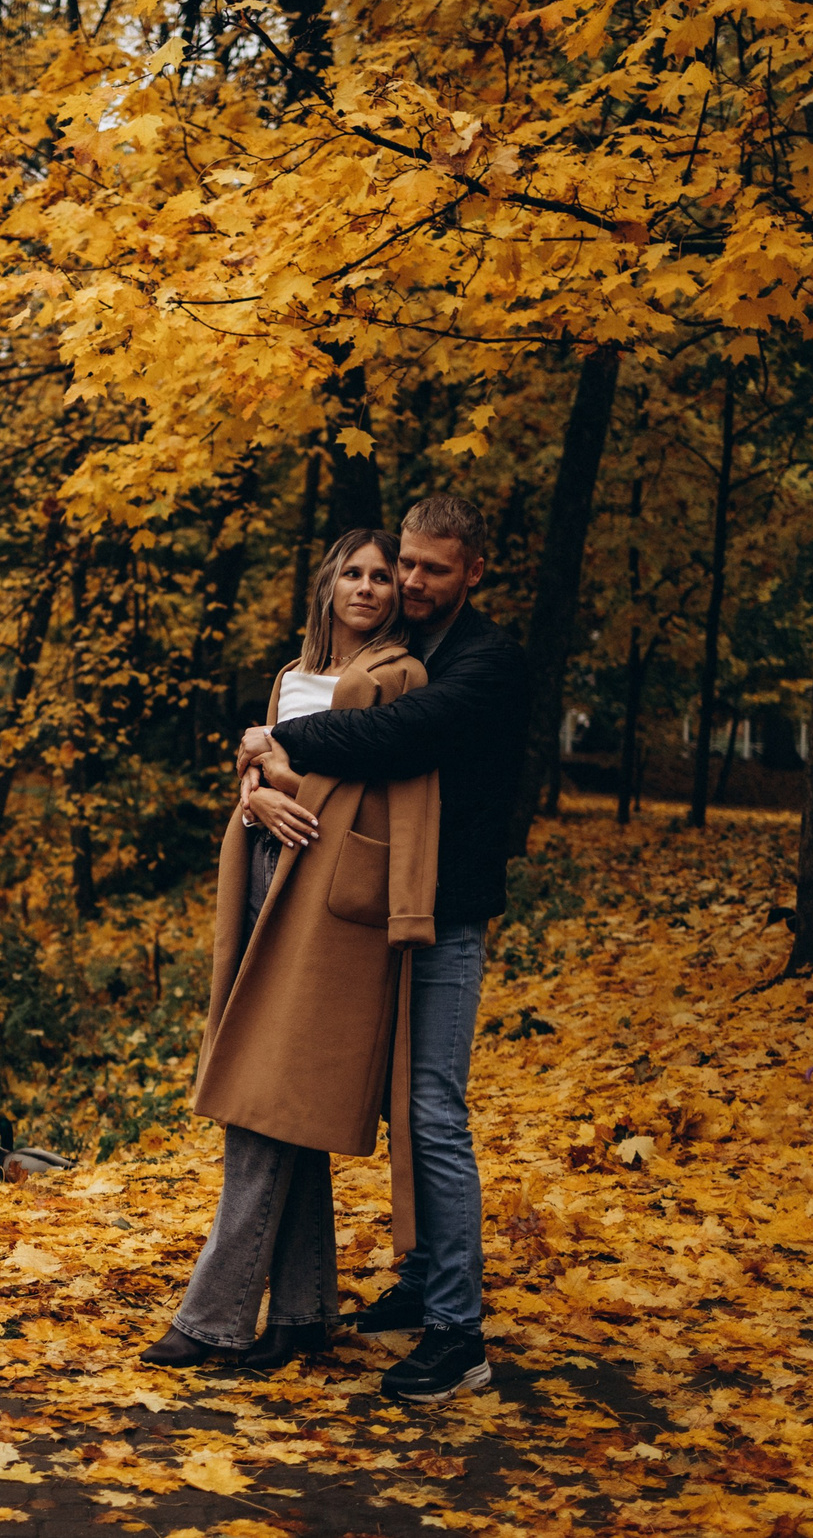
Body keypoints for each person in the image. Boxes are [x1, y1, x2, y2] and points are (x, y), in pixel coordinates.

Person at [238, 493, 525, 1405]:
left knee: (434, 1112)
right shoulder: (406, 643)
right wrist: (255, 778)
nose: (410, 581)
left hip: (444, 916)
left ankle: (458, 1334)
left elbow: (393, 737)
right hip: (384, 911)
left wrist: (275, 737)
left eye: (433, 569)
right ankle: (421, 1281)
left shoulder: (482, 663)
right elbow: (323, 694)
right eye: (405, 563)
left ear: (474, 571)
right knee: (401, 1106)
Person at [142, 530, 443, 1372]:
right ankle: (305, 1312)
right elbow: (271, 757)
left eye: (384, 576)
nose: (370, 586)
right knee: (284, 1097)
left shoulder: (399, 677)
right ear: (327, 584)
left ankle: (214, 1316)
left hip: (326, 890)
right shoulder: (288, 675)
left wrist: (267, 779)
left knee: (264, 1095)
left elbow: (366, 786)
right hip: (264, 869)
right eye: (353, 572)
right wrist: (252, 783)